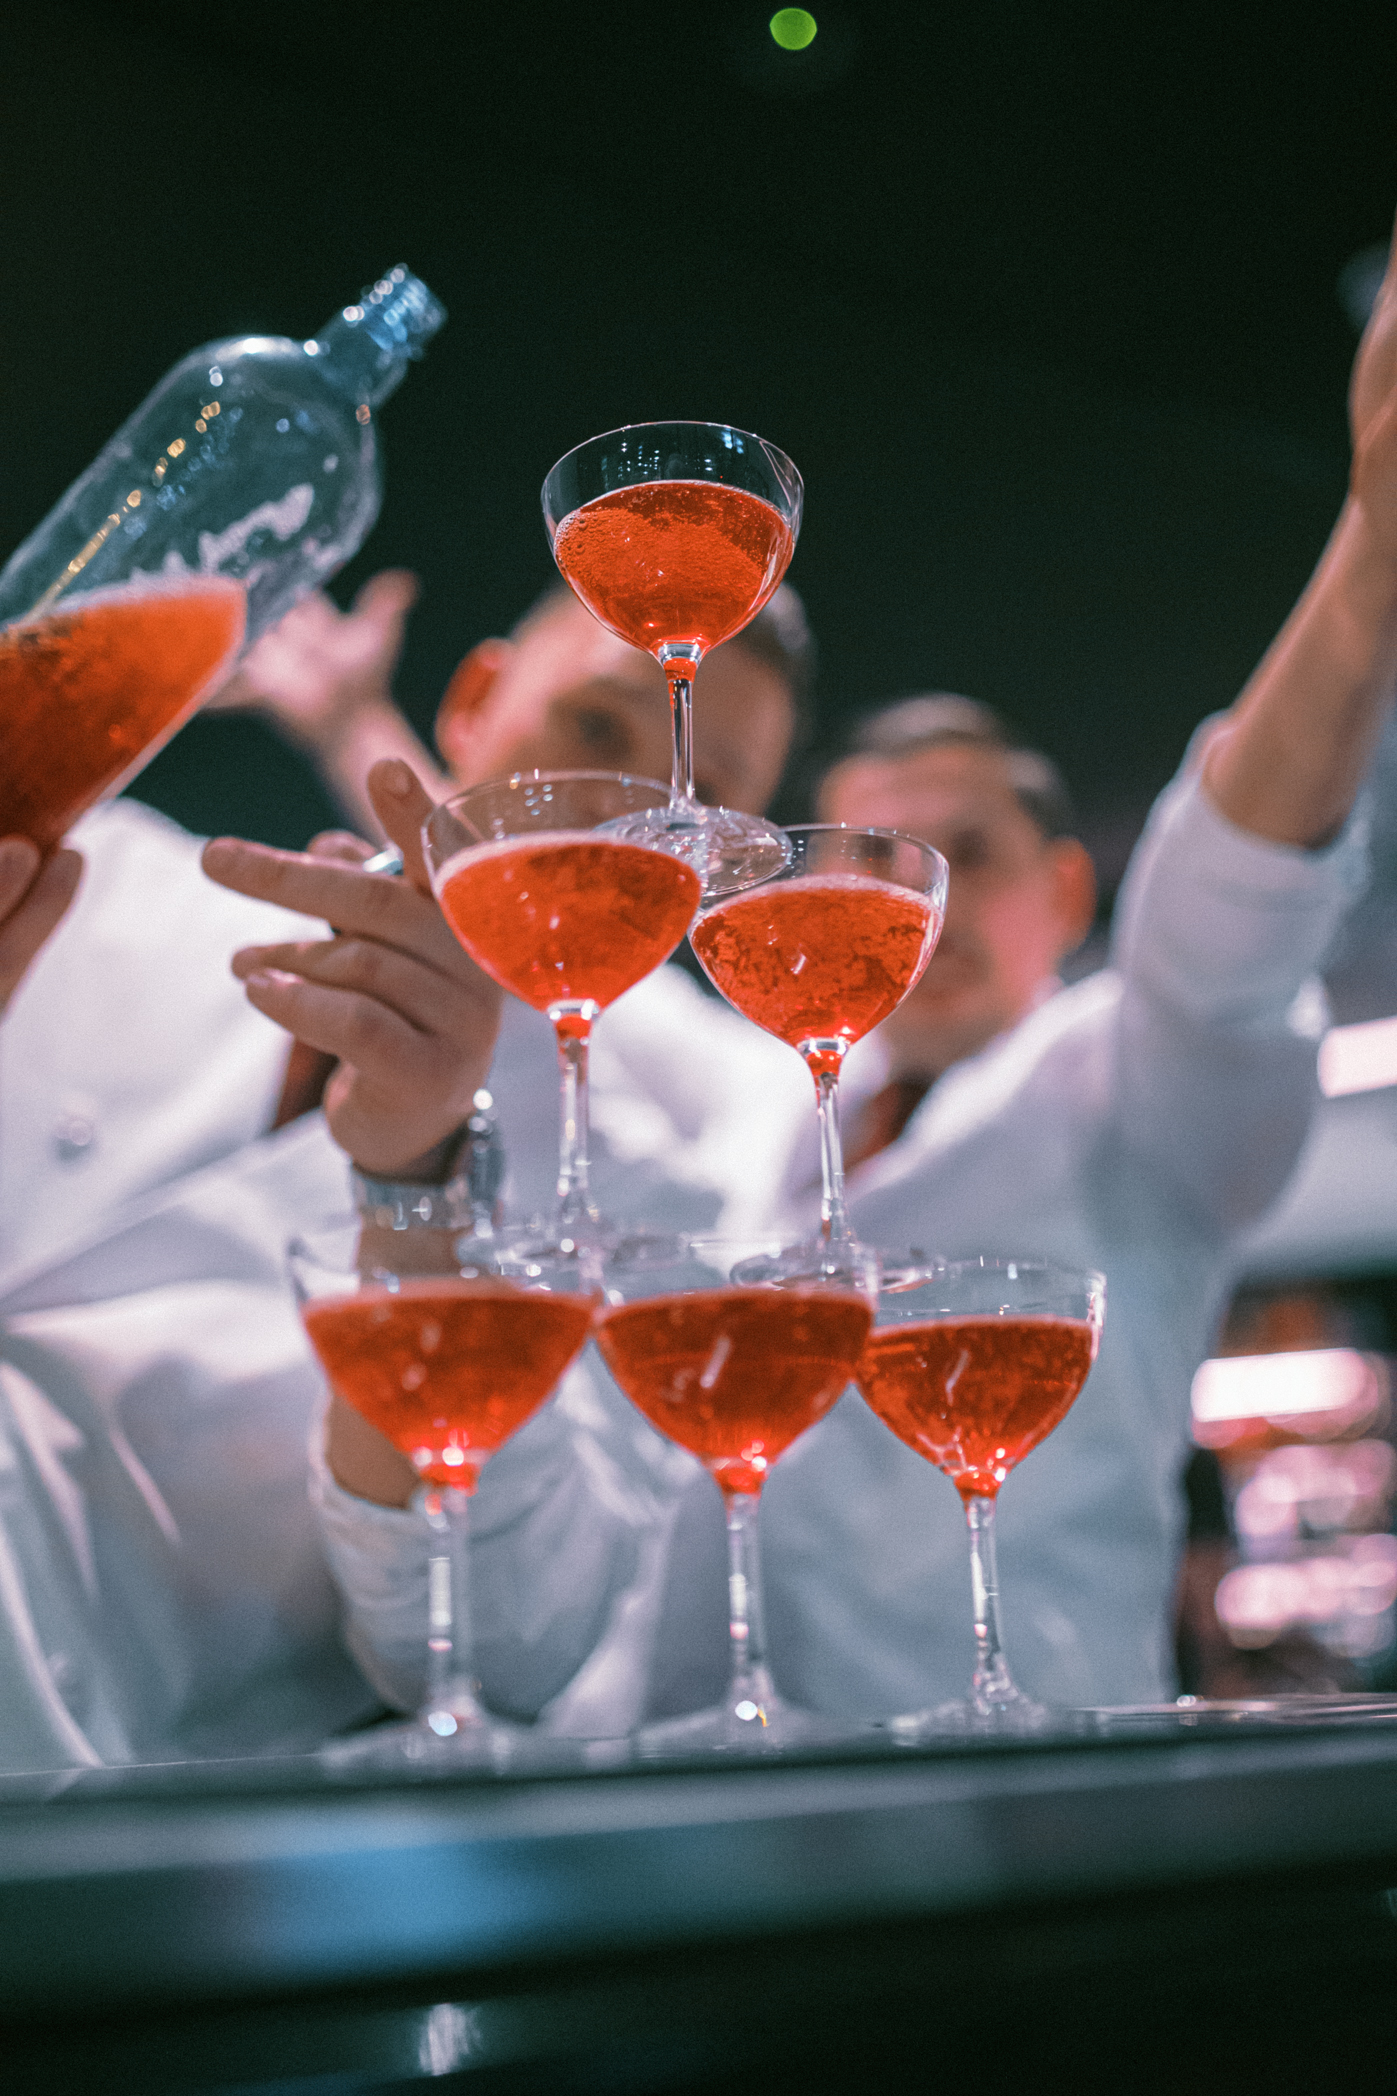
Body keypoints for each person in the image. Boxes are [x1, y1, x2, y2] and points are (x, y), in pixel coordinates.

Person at [227, 211, 1397, 1728]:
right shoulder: (756, 1115)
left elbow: (1224, 909)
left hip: (1016, 1792)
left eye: (962, 855)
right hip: (713, 1794)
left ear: (1063, 889)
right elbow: (534, 936)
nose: (902, 908)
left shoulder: (1129, 1090)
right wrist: (352, 733)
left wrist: (1368, 555)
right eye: (835, 861)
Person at [0, 583, 806, 1766]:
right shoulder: (104, 881)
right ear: (471, 703)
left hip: (104, 1792)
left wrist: (418, 1190)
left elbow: (506, 1643)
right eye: (596, 725)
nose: (633, 814)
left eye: (701, 798)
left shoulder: (642, 1206)